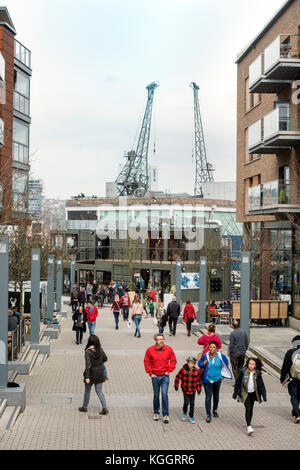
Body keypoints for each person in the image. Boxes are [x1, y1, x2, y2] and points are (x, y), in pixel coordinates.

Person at [144, 333, 177, 423]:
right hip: (155, 376)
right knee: (156, 395)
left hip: (164, 376)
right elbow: (146, 361)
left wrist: (168, 371)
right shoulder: (150, 350)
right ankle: (156, 412)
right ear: (155, 341)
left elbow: (173, 361)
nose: (161, 341)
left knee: (164, 395)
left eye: (162, 339)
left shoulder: (168, 349)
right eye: (159, 339)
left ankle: (166, 415)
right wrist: (150, 373)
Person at [198, 341, 232, 423]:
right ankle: (208, 414)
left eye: (213, 347)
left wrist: (223, 376)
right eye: (210, 347)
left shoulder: (221, 356)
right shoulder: (205, 356)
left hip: (217, 379)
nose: (212, 349)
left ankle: (215, 410)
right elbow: (199, 363)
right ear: (209, 348)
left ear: (216, 348)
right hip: (208, 380)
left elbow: (226, 365)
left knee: (216, 396)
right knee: (208, 397)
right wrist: (203, 363)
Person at [233, 357, 267, 435]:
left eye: (252, 364)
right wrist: (235, 394)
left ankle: (249, 423)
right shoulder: (243, 372)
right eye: (249, 363)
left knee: (251, 409)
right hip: (245, 393)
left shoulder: (257, 373)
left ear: (255, 365)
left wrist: (264, 395)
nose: (250, 365)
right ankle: (248, 426)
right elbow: (238, 383)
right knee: (248, 408)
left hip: (253, 394)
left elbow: (261, 385)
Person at [79, 335, 108, 415]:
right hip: (100, 374)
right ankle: (104, 407)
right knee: (99, 391)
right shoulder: (100, 350)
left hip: (91, 374)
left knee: (87, 391)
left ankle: (84, 407)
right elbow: (105, 359)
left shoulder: (88, 352)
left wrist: (87, 377)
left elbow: (88, 365)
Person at [174, 356, 202, 424]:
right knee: (186, 402)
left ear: (194, 364)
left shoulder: (196, 371)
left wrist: (199, 390)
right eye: (189, 363)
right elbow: (178, 377)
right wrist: (176, 385)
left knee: (192, 404)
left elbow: (198, 381)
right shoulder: (183, 370)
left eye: (192, 363)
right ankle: (184, 412)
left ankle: (191, 416)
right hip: (185, 389)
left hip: (193, 389)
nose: (190, 364)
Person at [280, 335, 300, 423]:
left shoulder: (290, 352)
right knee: (298, 396)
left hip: (293, 378)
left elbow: (285, 367)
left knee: (294, 395)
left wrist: (282, 379)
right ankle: (294, 411)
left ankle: (297, 414)